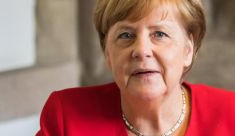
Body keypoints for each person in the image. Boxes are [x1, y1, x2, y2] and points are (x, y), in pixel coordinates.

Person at [36, 0, 235, 135]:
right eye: (126, 35)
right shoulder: (66, 116)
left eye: (159, 34)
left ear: (188, 50)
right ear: (107, 53)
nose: (141, 50)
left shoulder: (230, 114)